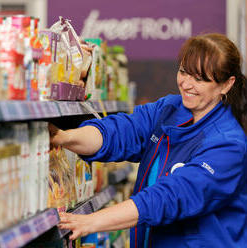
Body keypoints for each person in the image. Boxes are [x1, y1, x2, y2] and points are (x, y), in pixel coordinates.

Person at [49, 33, 247, 248]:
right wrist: (64, 137)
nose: (187, 84)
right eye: (183, 72)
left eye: (199, 79)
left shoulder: (229, 144)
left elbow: (173, 195)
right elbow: (120, 132)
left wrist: (93, 221)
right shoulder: (168, 110)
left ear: (226, 85)